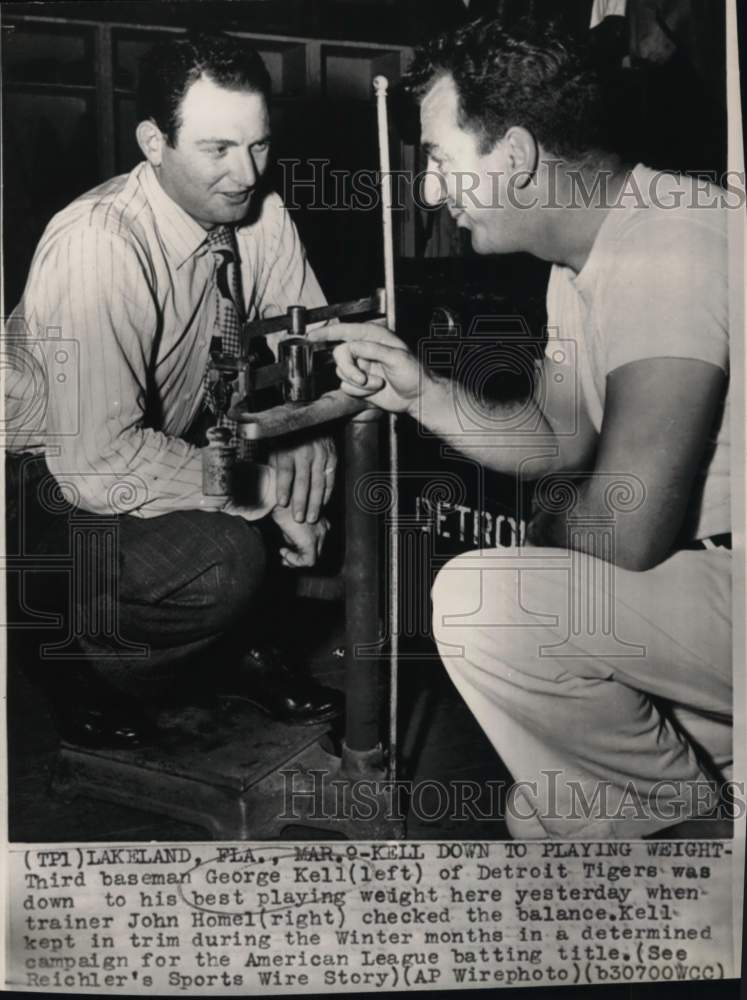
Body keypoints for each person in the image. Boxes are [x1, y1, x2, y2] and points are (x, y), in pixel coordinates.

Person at [311, 15, 732, 838]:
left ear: (512, 155)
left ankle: (691, 833)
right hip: (704, 594)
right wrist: (421, 393)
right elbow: (557, 437)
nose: (430, 190)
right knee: (544, 819)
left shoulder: (673, 245)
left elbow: (627, 526)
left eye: (437, 159)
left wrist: (539, 529)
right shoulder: (589, 254)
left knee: (481, 602)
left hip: (723, 589)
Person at [5, 31, 344, 746]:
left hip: (149, 441)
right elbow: (97, 462)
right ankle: (65, 653)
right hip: (40, 481)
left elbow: (306, 347)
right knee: (220, 560)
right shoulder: (99, 243)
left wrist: (302, 432)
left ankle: (239, 650)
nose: (245, 173)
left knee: (311, 464)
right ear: (153, 142)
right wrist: (266, 487)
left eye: (258, 146)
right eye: (217, 149)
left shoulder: (261, 213)